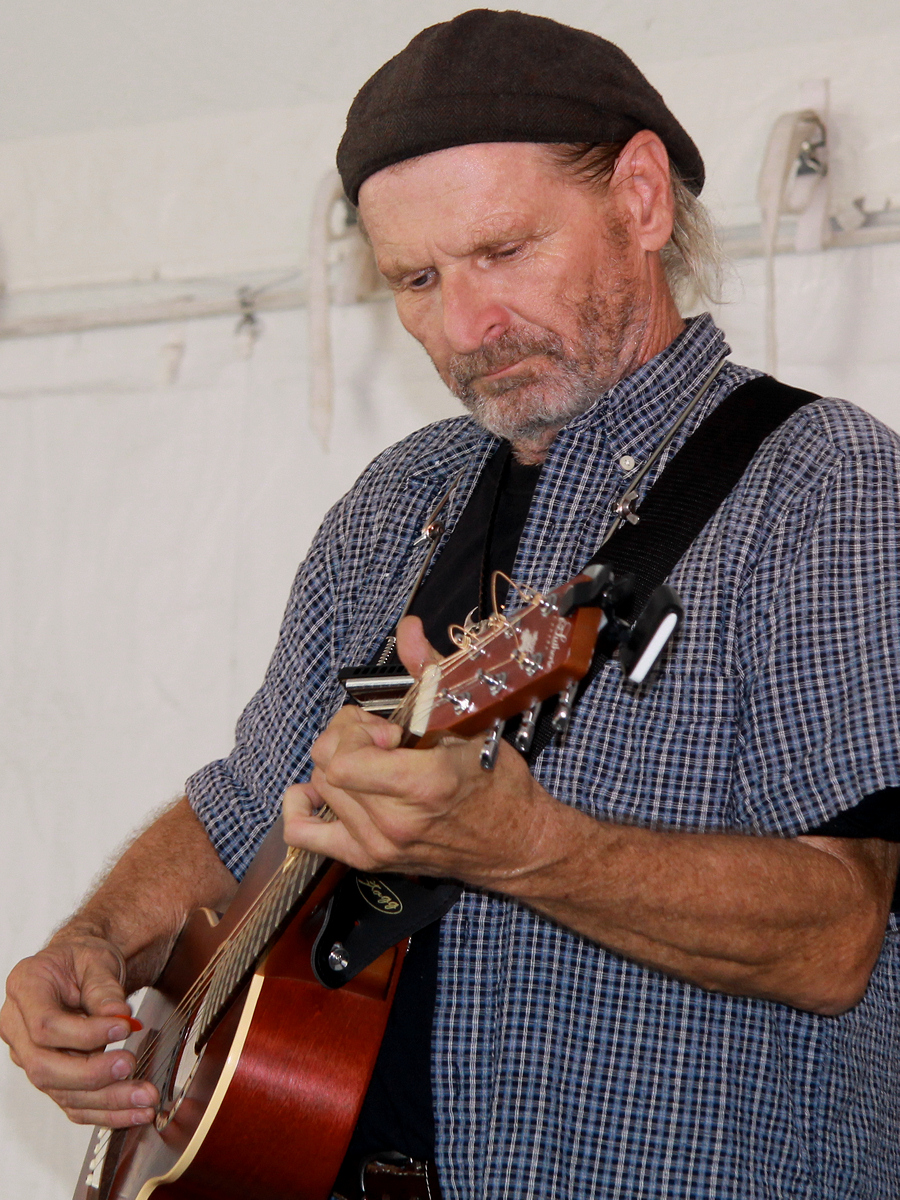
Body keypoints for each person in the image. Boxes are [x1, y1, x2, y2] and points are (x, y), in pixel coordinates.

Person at [4, 10, 900, 1199]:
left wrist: (529, 850)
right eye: (414, 281)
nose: (464, 327)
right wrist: (92, 943)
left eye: (504, 252)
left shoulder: (825, 484)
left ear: (640, 198)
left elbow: (840, 931)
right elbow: (240, 813)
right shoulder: (396, 504)